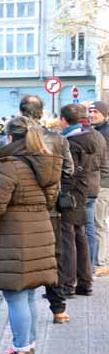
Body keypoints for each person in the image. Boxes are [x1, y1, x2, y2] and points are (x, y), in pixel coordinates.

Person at [0, 117, 62, 354]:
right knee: (29, 294)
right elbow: (50, 199)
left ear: (10, 137)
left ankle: (22, 352)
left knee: (15, 295)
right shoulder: (47, 162)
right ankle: (29, 345)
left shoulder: (9, 166)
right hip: (39, 230)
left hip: (13, 235)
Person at [18, 95, 75, 323]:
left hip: (21, 207)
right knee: (54, 256)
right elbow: (69, 169)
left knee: (23, 254)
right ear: (41, 113)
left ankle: (24, 304)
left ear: (22, 112)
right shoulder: (57, 139)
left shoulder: (15, 137)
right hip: (50, 206)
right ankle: (58, 308)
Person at [58, 103, 105, 300]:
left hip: (75, 193)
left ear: (64, 120)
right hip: (92, 188)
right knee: (82, 235)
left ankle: (68, 284)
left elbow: (69, 172)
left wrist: (62, 194)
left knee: (68, 236)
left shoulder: (71, 141)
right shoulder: (96, 136)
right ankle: (85, 282)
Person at [89, 102, 109, 276]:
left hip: (103, 184)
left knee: (99, 223)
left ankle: (101, 263)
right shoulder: (97, 131)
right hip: (99, 182)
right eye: (90, 111)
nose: (92, 114)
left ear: (105, 114)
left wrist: (101, 181)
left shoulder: (105, 133)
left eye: (96, 112)